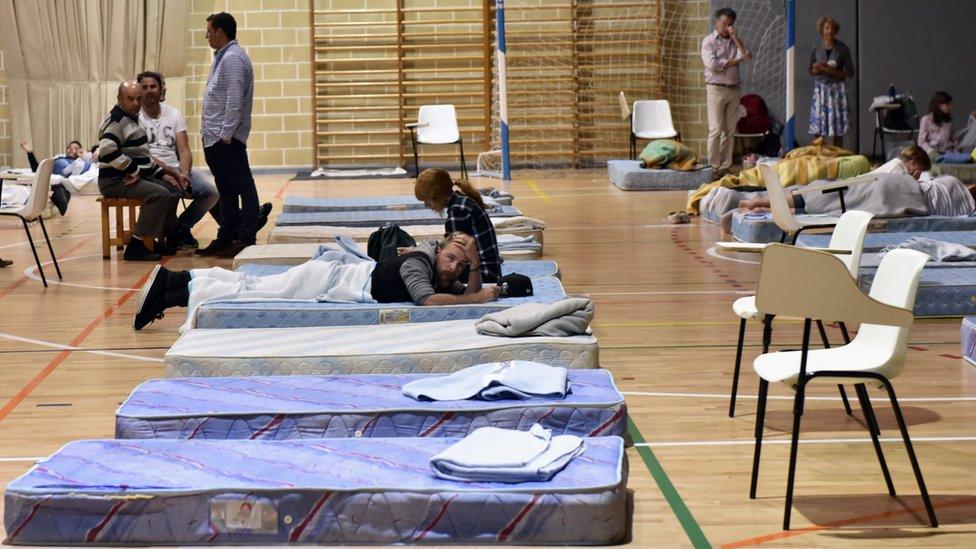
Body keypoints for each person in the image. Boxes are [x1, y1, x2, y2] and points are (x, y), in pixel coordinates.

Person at [132, 232, 501, 331]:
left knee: (253, 286)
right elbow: (428, 302)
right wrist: (480, 298)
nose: (453, 267)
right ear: (439, 251)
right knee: (255, 292)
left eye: (460, 264)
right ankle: (172, 288)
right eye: (451, 257)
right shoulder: (420, 263)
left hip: (330, 280)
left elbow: (464, 291)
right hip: (326, 279)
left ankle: (175, 283)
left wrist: (474, 271)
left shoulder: (444, 273)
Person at [199, 12, 270, 259]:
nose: (206, 35)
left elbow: (234, 99)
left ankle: (246, 237)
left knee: (243, 187)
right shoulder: (222, 57)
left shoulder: (232, 59)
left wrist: (226, 134)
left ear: (220, 31)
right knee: (226, 189)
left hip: (225, 138)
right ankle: (226, 236)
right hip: (214, 136)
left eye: (209, 31)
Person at [738, 145, 976, 218]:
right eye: (918, 170)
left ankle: (761, 203)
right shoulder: (898, 169)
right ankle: (758, 201)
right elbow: (882, 188)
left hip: (868, 188)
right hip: (872, 188)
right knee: (820, 197)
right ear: (912, 163)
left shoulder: (905, 171)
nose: (917, 175)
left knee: (819, 198)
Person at [97, 81, 183, 261]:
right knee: (160, 194)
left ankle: (154, 239)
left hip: (128, 177)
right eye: (130, 99)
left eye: (138, 99)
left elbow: (142, 156)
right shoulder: (117, 120)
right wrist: (134, 170)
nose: (136, 103)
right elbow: (107, 151)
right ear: (119, 99)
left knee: (172, 190)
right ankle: (136, 245)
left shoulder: (133, 118)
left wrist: (162, 174)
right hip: (115, 181)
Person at [137, 71, 220, 250]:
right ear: (139, 91)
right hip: (153, 172)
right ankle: (172, 233)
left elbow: (184, 150)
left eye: (153, 86)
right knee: (170, 189)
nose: (149, 91)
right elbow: (142, 155)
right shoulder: (135, 118)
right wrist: (171, 173)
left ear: (161, 89)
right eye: (144, 87)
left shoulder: (174, 114)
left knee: (211, 192)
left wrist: (184, 173)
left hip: (177, 168)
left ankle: (182, 227)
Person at [414, 168, 502, 282]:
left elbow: (450, 254)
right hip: (489, 271)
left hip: (484, 275)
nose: (427, 205)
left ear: (437, 195)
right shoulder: (461, 202)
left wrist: (418, 253)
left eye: (427, 201)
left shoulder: (458, 211)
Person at [701, 6, 751, 175]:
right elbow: (713, 65)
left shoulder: (733, 40)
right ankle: (713, 166)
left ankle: (725, 166)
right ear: (717, 22)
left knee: (730, 131)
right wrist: (733, 61)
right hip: (716, 89)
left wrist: (736, 39)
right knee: (715, 129)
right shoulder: (708, 41)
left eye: (730, 25)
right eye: (724, 23)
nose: (727, 28)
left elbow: (746, 55)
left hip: (734, 89)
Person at [808, 16, 854, 148]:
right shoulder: (816, 48)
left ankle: (837, 156)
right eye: (827, 28)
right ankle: (820, 154)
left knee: (838, 128)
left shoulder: (842, 48)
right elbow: (810, 70)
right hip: (820, 90)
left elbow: (850, 72)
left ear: (836, 31)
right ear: (822, 30)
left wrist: (832, 71)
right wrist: (816, 69)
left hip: (836, 90)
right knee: (817, 127)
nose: (830, 31)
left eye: (832, 29)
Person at [18, 140, 96, 215]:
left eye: (75, 148)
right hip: (51, 179)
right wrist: (30, 153)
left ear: (80, 151)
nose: (71, 149)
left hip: (61, 182)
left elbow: (88, 168)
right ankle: (62, 195)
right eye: (69, 148)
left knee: (58, 184)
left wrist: (83, 157)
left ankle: (61, 194)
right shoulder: (59, 159)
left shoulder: (83, 163)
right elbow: (37, 170)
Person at [918, 91, 957, 159]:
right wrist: (929, 150)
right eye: (947, 104)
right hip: (931, 154)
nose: (950, 106)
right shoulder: (926, 120)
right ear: (938, 104)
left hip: (947, 153)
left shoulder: (948, 121)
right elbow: (921, 141)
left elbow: (953, 138)